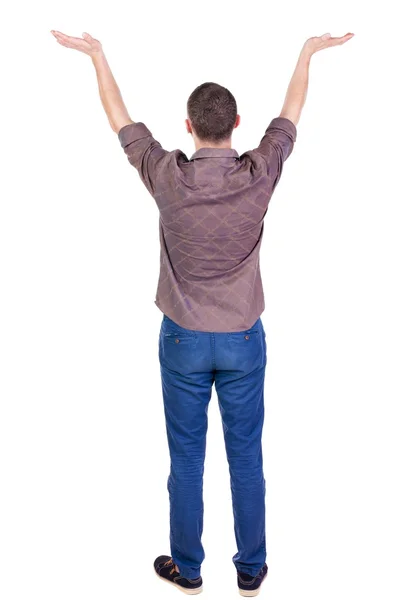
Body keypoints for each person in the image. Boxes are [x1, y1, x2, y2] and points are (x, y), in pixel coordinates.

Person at [51, 29, 354, 597]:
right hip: (242, 338)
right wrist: (307, 52)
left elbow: (120, 120)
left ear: (188, 127)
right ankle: (251, 569)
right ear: (236, 125)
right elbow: (291, 113)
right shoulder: (260, 172)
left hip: (184, 339)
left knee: (186, 460)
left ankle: (188, 569)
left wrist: (97, 55)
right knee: (247, 457)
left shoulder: (167, 174)